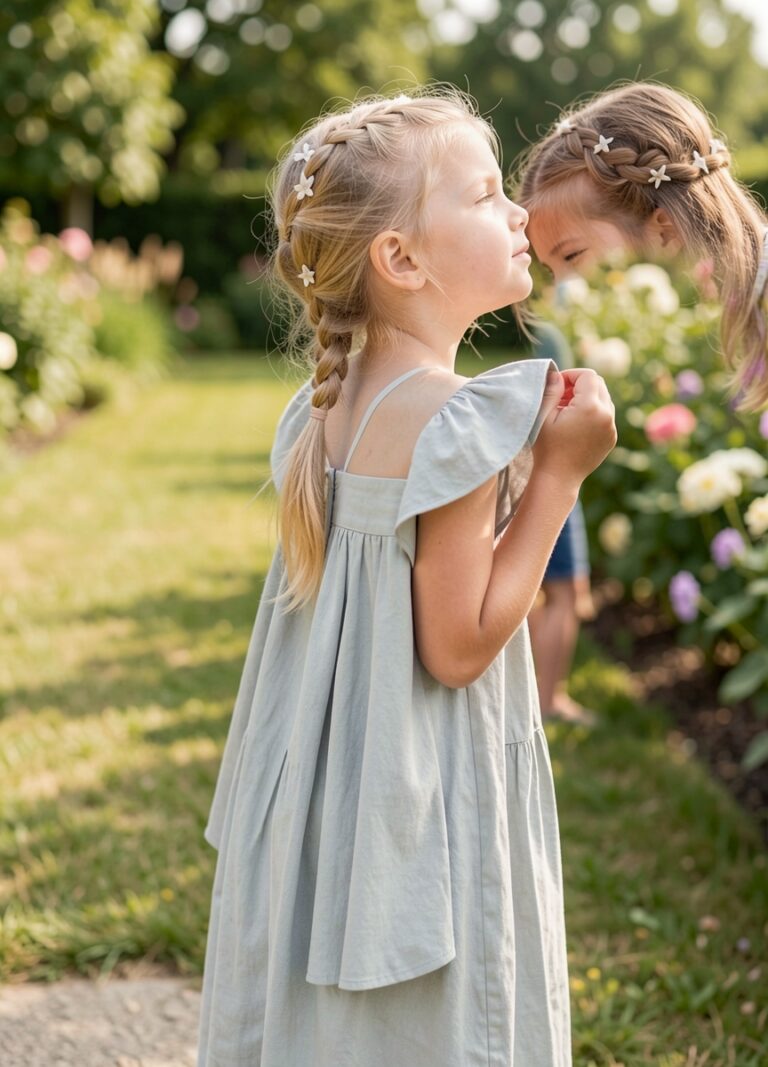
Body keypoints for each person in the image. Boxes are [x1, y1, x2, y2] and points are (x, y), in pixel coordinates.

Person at [196, 88, 616, 1067]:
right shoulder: (450, 415)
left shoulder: (326, 404)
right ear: (402, 259)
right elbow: (461, 643)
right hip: (421, 793)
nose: (518, 212)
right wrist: (557, 474)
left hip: (336, 786)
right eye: (482, 194)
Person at [513, 81, 768, 414]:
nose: (563, 289)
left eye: (572, 256)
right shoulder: (683, 340)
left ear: (665, 232)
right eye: (551, 270)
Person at [526, 321, 597, 728]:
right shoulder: (545, 331)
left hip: (522, 464)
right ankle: (550, 699)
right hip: (551, 465)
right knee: (564, 591)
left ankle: (535, 692)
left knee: (538, 589)